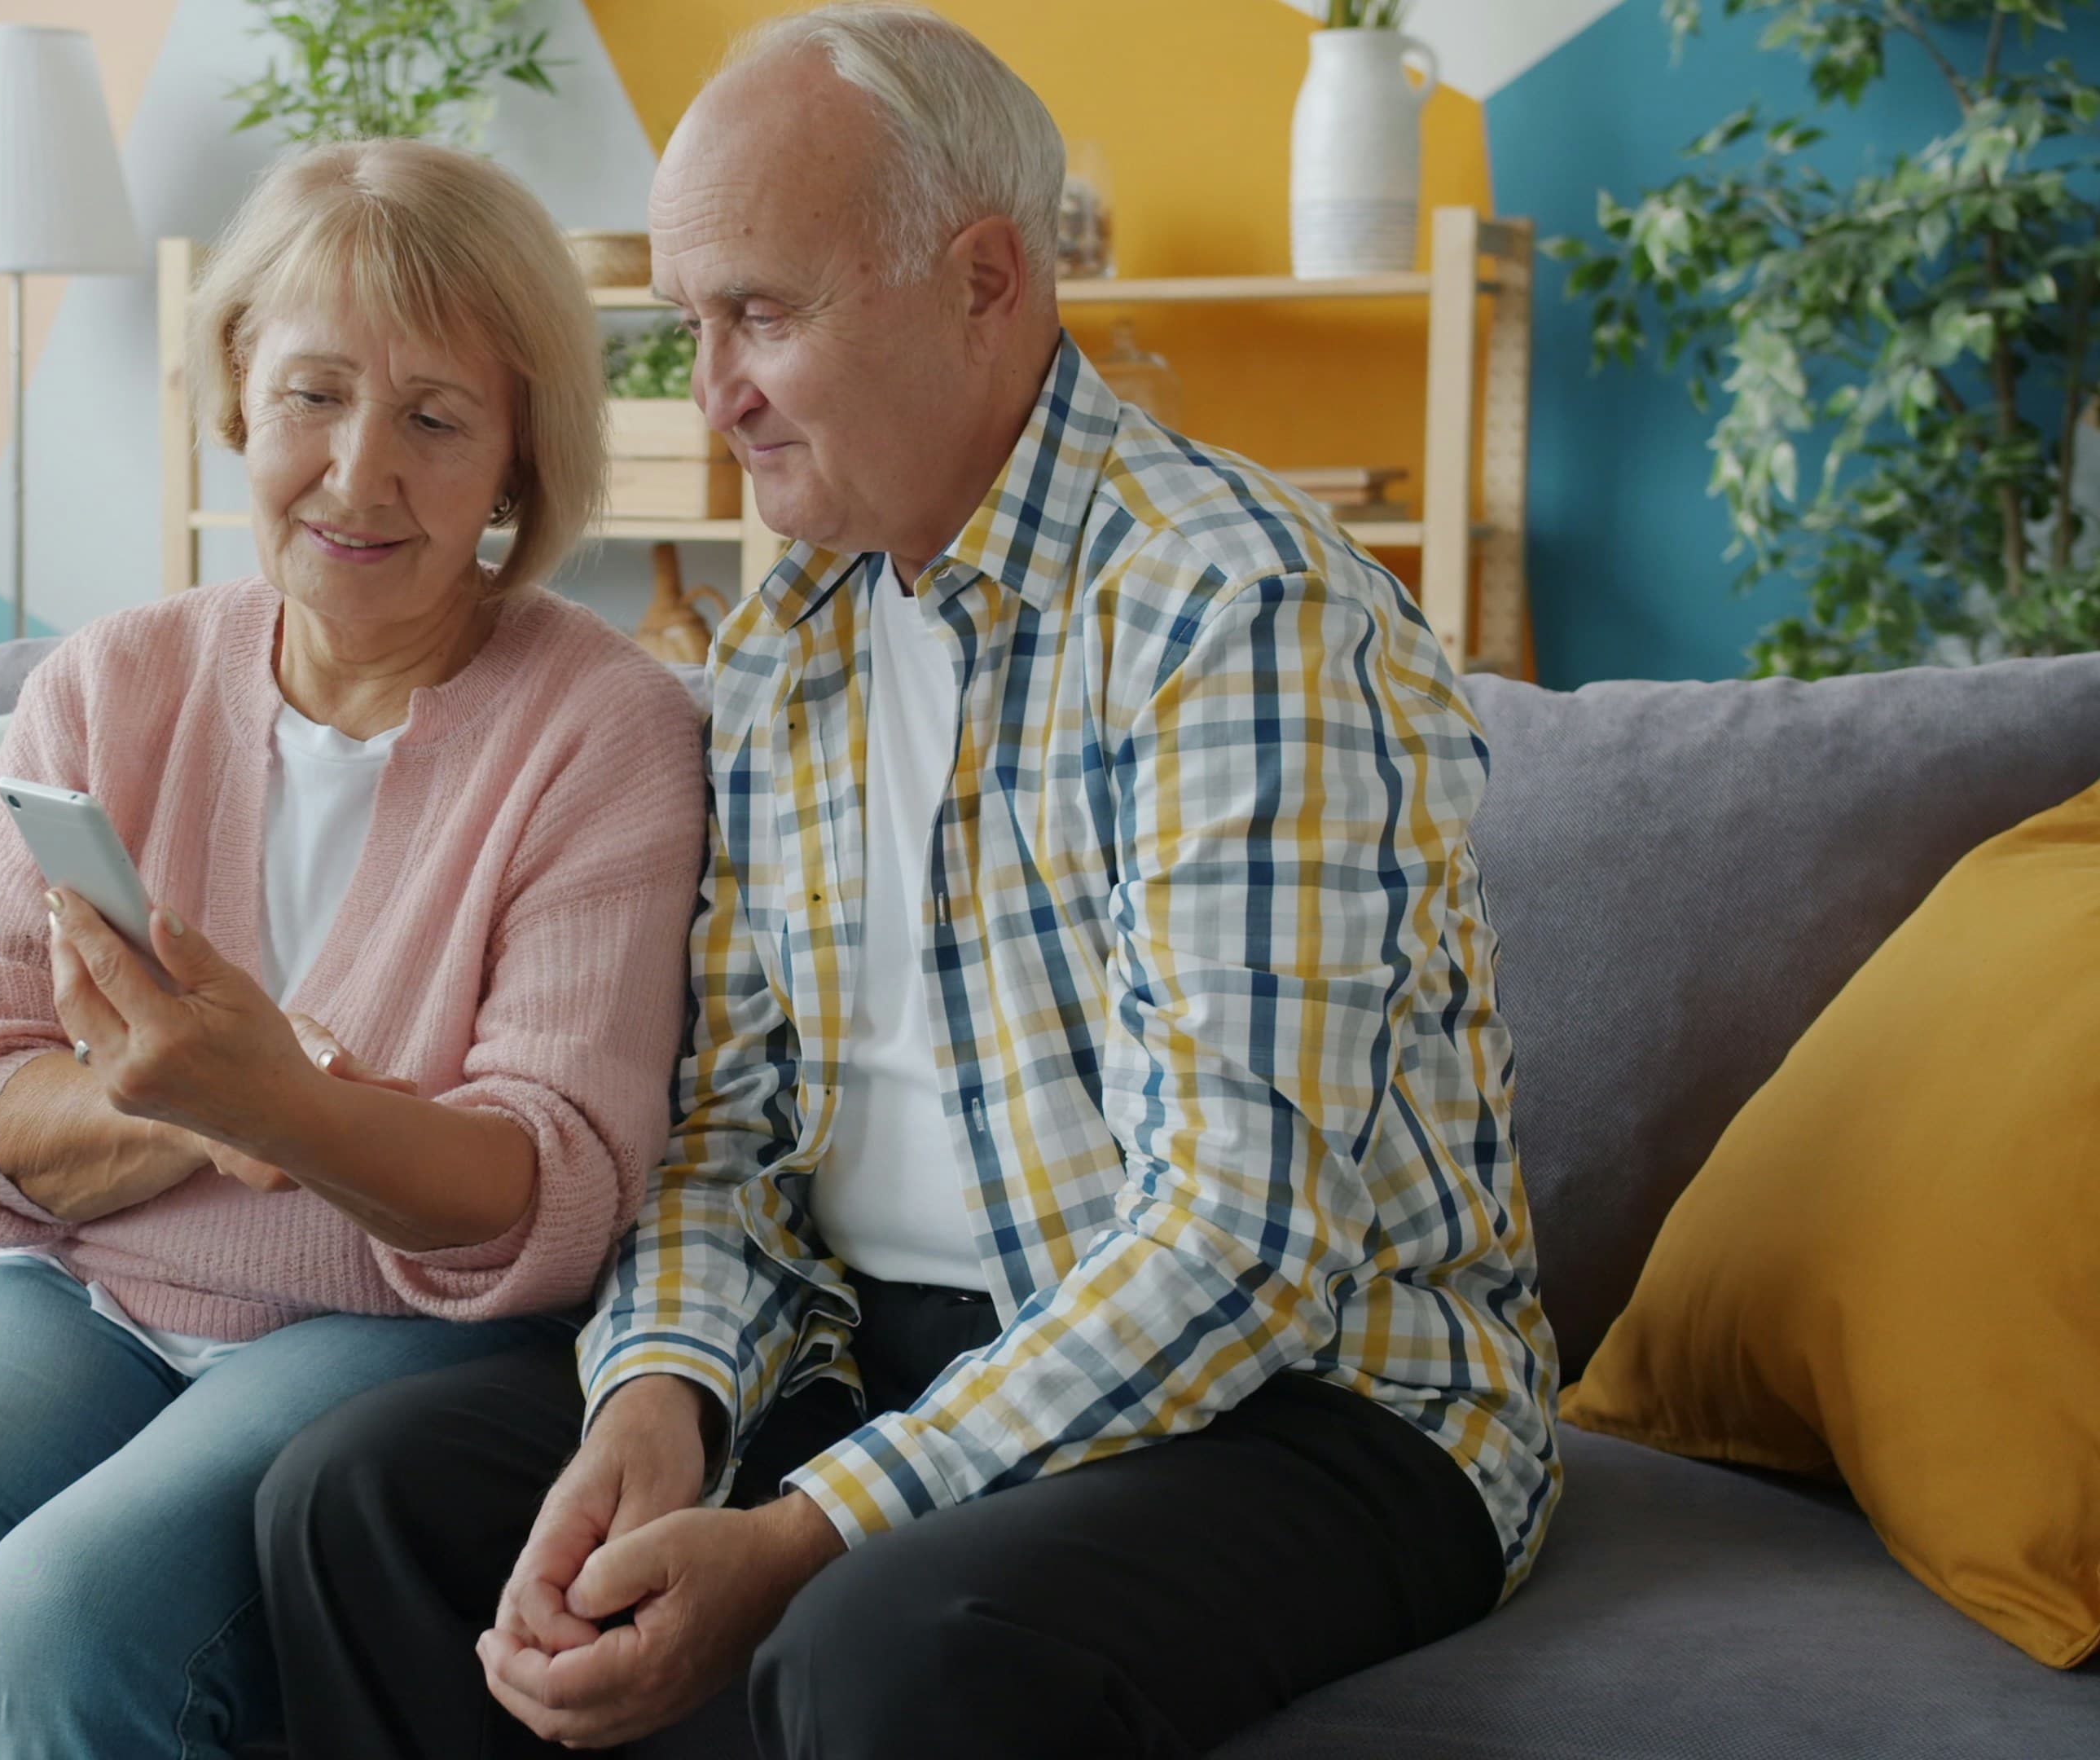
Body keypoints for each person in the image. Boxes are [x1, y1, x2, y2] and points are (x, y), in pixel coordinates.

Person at [255, 9, 1562, 1758]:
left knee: (889, 1646)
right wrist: (661, 1395)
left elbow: (1241, 1249)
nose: (709, 389)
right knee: (365, 1500)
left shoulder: (1232, 612)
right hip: (879, 1345)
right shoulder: (789, 635)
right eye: (690, 320)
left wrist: (805, 1527)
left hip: (1314, 1402)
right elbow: (724, 1126)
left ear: (987, 280)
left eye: (763, 316)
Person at [0, 137, 707, 1760]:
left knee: (60, 1620)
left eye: (437, 418)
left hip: (378, 1330)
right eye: (313, 395)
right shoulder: (111, 684)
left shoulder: (605, 729)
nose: (358, 474)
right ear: (240, 391)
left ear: (521, 457)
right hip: (72, 1292)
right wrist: (196, 1103)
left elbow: (557, 1188)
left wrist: (287, 1113)